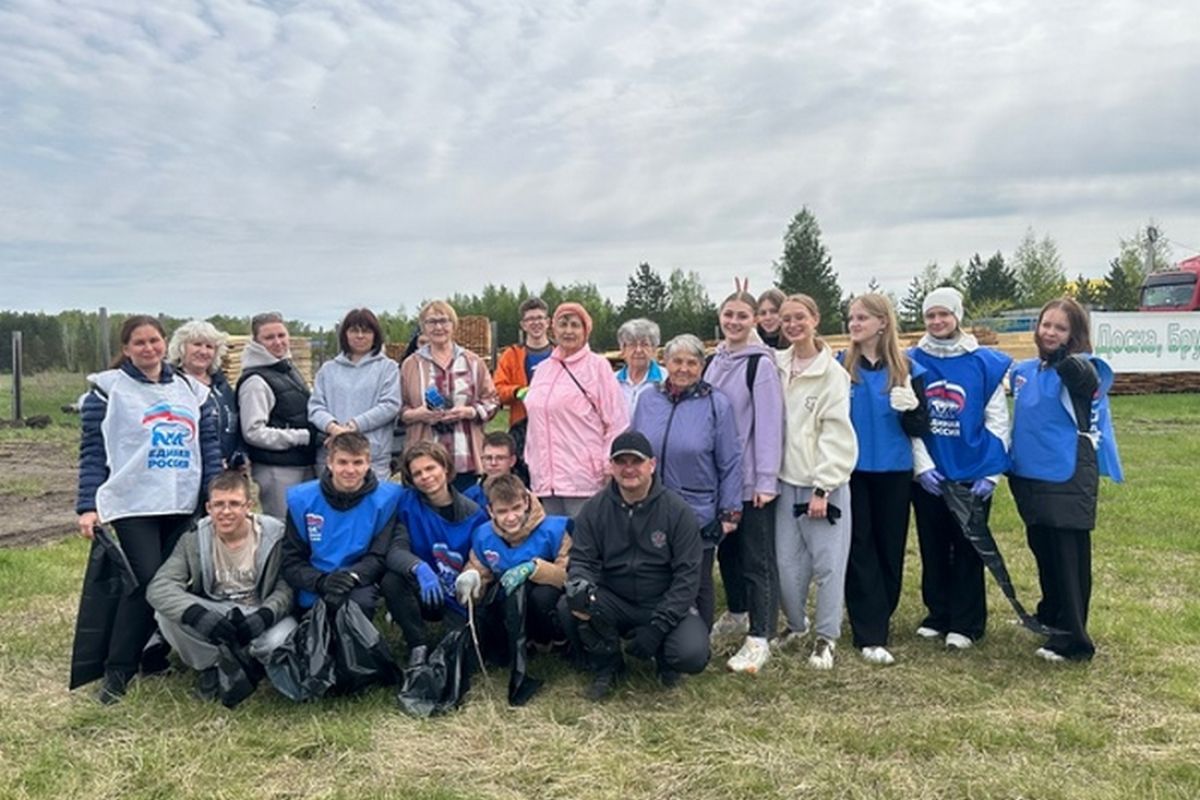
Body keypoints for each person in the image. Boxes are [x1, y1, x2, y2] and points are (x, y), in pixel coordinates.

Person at [75, 314, 222, 703]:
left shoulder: (192, 390)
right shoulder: (107, 392)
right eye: (139, 343)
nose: (149, 348)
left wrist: (213, 494)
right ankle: (117, 672)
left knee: (172, 584)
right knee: (148, 585)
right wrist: (87, 505)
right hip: (134, 503)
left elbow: (207, 449)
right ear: (126, 349)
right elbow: (93, 453)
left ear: (164, 343)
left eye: (154, 341)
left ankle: (166, 656)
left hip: (182, 501)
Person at [1009, 298, 1122, 663]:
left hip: (1067, 474)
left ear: (1074, 334)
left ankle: (1074, 639)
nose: (1050, 332)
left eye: (1060, 328)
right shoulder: (1025, 370)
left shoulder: (1082, 368)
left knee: (1068, 556)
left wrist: (1064, 360)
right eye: (1046, 325)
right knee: (1043, 550)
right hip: (1028, 474)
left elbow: (1086, 380)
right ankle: (1051, 616)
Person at [560, 432, 710, 700]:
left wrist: (658, 626)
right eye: (621, 462)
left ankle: (666, 659)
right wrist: (581, 585)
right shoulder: (594, 509)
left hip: (661, 600)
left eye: (636, 461)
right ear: (611, 466)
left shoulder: (677, 511)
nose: (628, 469)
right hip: (614, 599)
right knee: (568, 605)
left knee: (691, 654)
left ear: (652, 464)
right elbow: (582, 559)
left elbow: (688, 576)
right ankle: (608, 664)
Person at [909, 287, 1012, 650]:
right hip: (931, 475)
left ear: (957, 316)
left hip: (971, 471)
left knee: (968, 548)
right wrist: (922, 467)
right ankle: (938, 613)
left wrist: (991, 472)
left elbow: (997, 420)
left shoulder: (984, 363)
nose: (937, 322)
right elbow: (910, 418)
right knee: (932, 546)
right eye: (930, 316)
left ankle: (967, 623)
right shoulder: (912, 360)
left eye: (944, 314)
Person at [146, 470, 297, 700]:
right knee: (165, 616)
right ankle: (213, 664)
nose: (226, 512)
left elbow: (287, 585)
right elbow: (159, 586)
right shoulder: (193, 538)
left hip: (260, 608)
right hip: (216, 609)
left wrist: (265, 615)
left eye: (234, 504)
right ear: (208, 508)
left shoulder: (276, 533)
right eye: (218, 505)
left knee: (279, 641)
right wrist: (197, 615)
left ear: (249, 506)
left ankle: (249, 661)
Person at [631, 334, 742, 645]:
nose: (683, 368)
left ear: (702, 366)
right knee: (654, 572)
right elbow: (636, 446)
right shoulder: (648, 399)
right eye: (677, 361)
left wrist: (730, 510)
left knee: (696, 579)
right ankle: (658, 635)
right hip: (651, 503)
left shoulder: (716, 403)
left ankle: (698, 641)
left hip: (697, 506)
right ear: (664, 363)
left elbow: (730, 460)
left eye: (691, 362)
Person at [840, 294, 928, 666]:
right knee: (858, 548)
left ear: (882, 322)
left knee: (889, 548)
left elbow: (920, 427)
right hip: (853, 471)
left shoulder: (908, 369)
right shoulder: (841, 368)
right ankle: (868, 630)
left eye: (862, 317)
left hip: (894, 471)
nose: (854, 324)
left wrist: (911, 410)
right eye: (851, 318)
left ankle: (882, 612)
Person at [772, 294, 857, 670]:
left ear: (815, 319)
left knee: (827, 565)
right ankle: (796, 625)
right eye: (786, 319)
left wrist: (824, 487)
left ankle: (826, 637)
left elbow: (835, 434)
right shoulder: (776, 365)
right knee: (787, 564)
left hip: (823, 483)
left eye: (799, 318)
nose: (792, 325)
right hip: (784, 480)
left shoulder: (832, 374)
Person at [703, 290, 784, 654]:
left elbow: (769, 426)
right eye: (728, 314)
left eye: (742, 316)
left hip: (751, 481)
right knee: (728, 553)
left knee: (757, 558)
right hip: (719, 479)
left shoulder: (760, 365)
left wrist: (766, 480)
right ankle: (737, 611)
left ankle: (761, 633)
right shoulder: (712, 361)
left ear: (754, 321)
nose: (734, 322)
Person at [455, 474, 572, 703]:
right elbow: (480, 569)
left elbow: (567, 576)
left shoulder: (556, 529)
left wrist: (535, 568)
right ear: (490, 511)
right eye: (502, 511)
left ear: (527, 501)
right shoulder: (483, 535)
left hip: (544, 603)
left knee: (542, 595)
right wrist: (471, 578)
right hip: (506, 606)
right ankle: (507, 648)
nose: (511, 517)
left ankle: (553, 642)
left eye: (516, 508)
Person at [380, 441, 490, 666]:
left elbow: (482, 558)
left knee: (458, 657)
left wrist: (471, 578)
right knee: (391, 580)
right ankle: (417, 645)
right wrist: (419, 567)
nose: (425, 476)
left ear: (445, 469)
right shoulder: (407, 505)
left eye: (430, 468)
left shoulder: (474, 514)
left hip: (458, 595)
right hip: (423, 589)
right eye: (417, 473)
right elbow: (395, 550)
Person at [280, 432, 400, 622]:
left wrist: (352, 576)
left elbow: (379, 555)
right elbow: (290, 560)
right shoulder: (301, 500)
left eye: (358, 462)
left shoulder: (387, 499)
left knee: (357, 609)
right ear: (329, 462)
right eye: (343, 462)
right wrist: (321, 581)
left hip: (358, 582)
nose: (350, 470)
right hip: (314, 581)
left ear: (368, 462)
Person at [524, 302, 630, 517]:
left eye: (575, 325)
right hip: (545, 479)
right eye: (563, 324)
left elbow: (617, 421)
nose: (569, 331)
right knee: (556, 545)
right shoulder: (543, 369)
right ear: (553, 328)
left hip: (583, 479)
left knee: (585, 544)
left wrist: (607, 465)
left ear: (585, 331)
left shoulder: (597, 366)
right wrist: (530, 459)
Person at [399, 300, 499, 493]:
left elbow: (493, 401)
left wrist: (470, 412)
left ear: (453, 325)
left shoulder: (473, 362)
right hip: (424, 458)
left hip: (464, 456)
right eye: (431, 322)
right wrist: (419, 414)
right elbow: (399, 409)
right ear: (423, 328)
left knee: (464, 513)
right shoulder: (411, 365)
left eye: (444, 321)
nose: (438, 327)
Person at [237, 312, 317, 520]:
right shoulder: (256, 382)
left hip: (299, 463)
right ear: (256, 342)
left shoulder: (286, 369)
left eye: (281, 335)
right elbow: (253, 431)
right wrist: (303, 437)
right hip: (276, 470)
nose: (278, 342)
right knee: (282, 528)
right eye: (269, 337)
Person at [308, 307, 401, 481]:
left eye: (366, 331)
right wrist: (334, 428)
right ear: (345, 334)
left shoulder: (388, 368)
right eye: (354, 330)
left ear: (375, 335)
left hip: (373, 456)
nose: (360, 336)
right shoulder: (328, 370)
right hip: (334, 455)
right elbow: (315, 407)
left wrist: (352, 427)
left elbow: (390, 405)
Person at [168, 319, 246, 469]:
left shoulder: (223, 388)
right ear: (181, 348)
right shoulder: (170, 385)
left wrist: (239, 455)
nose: (203, 351)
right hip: (187, 471)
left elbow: (237, 426)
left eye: (209, 346)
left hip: (225, 473)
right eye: (197, 344)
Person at [493, 297, 554, 466]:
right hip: (522, 426)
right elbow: (497, 390)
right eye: (530, 319)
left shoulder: (560, 354)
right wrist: (517, 391)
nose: (536, 323)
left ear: (548, 322)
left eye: (540, 318)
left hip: (556, 427)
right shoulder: (511, 355)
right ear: (523, 325)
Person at [614, 318, 665, 417]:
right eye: (632, 344)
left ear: (654, 349)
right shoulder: (611, 382)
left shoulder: (667, 380)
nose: (638, 350)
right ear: (622, 350)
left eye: (644, 344)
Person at [462, 430, 522, 509]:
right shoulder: (469, 498)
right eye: (488, 458)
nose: (493, 463)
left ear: (512, 461)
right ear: (482, 460)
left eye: (500, 458)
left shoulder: (523, 493)